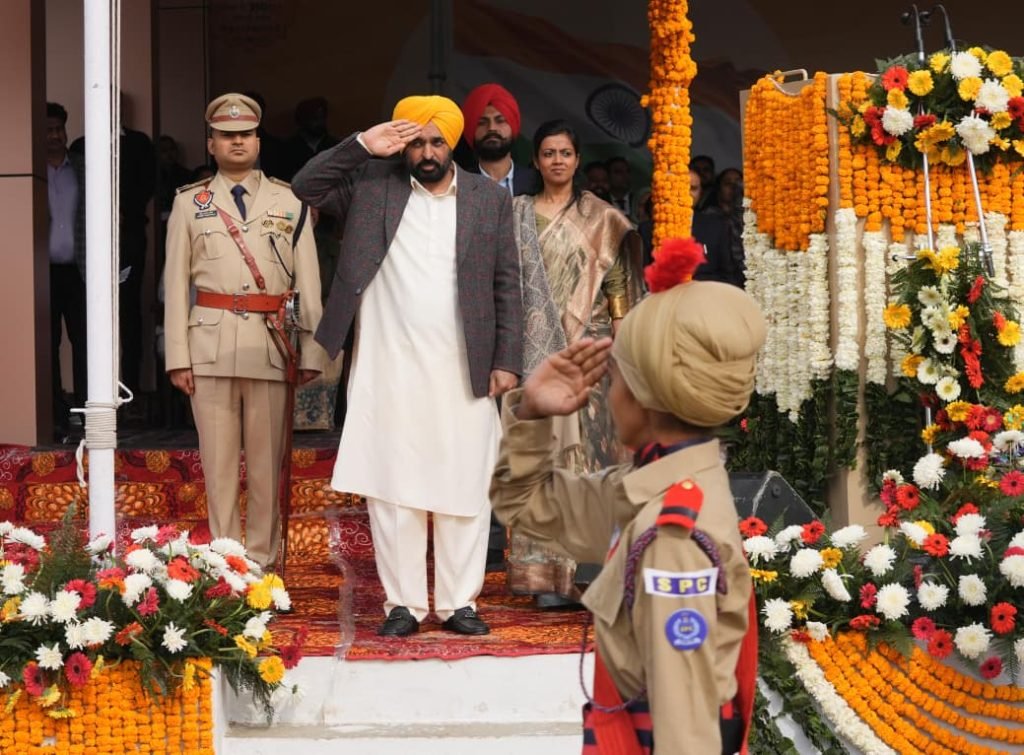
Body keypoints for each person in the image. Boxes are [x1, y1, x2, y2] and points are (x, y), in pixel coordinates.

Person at [491, 237, 764, 753]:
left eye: (614, 378)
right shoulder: (654, 489)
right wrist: (531, 414)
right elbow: (525, 505)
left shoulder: (672, 536)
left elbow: (685, 735)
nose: (607, 394)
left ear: (642, 399)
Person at [291, 95, 523, 637]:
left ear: (452, 143)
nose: (426, 152)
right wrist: (361, 146)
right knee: (394, 486)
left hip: (464, 366)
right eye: (416, 143)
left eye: (436, 141)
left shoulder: (488, 199)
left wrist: (507, 359)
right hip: (388, 366)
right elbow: (305, 186)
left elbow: (506, 283)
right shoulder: (373, 187)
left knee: (464, 483)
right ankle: (404, 606)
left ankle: (460, 603)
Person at [163, 93, 323, 568]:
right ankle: (224, 568)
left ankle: (263, 565)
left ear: (258, 140)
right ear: (210, 143)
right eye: (227, 135)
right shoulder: (189, 204)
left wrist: (312, 351)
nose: (237, 142)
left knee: (267, 469)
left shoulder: (290, 201)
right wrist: (177, 356)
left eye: (246, 134)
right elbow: (175, 285)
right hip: (208, 350)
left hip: (271, 348)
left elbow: (309, 283)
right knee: (217, 469)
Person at [509, 119, 643, 605]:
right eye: (548, 153)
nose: (557, 161)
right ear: (536, 160)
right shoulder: (517, 215)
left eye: (565, 153)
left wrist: (624, 354)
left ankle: (592, 571)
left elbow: (619, 288)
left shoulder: (601, 218)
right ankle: (545, 576)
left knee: (590, 459)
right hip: (534, 355)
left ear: (577, 159)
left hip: (591, 353)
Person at [45, 102, 87, 441]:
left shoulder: (83, 168)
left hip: (80, 270)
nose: (55, 136)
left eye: (59, 129)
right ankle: (56, 415)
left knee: (84, 341)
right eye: (48, 130)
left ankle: (88, 413)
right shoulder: (31, 170)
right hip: (41, 273)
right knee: (48, 344)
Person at [459, 83, 536, 196]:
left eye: (500, 121)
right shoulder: (459, 185)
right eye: (482, 123)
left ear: (512, 126)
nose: (492, 128)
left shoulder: (537, 183)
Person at [606, 156, 635, 221]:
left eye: (628, 171)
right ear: (608, 176)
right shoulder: (601, 202)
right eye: (618, 172)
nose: (625, 175)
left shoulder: (637, 201)